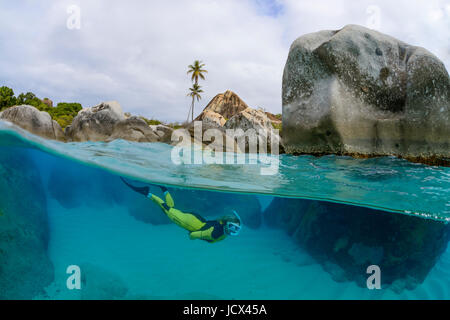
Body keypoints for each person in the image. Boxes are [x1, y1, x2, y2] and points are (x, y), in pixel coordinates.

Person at [120, 178, 242, 243]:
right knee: (166, 209)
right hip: (188, 222)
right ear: (227, 224)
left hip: (197, 219)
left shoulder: (221, 225)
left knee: (171, 209)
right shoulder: (215, 234)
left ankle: (164, 189)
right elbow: (193, 235)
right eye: (232, 227)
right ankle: (147, 193)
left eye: (236, 229)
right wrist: (192, 235)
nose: (233, 230)